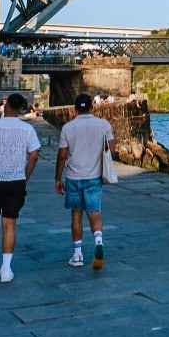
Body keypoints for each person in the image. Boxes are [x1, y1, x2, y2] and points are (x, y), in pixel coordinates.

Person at [0, 93, 41, 283]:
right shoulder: (27, 129)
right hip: (16, 181)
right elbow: (34, 156)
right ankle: (6, 269)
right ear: (21, 108)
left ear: (6, 105)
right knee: (9, 223)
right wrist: (25, 177)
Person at [54, 93, 115, 270]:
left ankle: (77, 254)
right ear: (92, 107)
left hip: (73, 176)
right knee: (94, 212)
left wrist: (57, 178)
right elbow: (111, 149)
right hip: (94, 176)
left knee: (76, 214)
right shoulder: (103, 125)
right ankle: (98, 241)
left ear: (74, 109)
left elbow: (62, 155)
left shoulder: (68, 127)